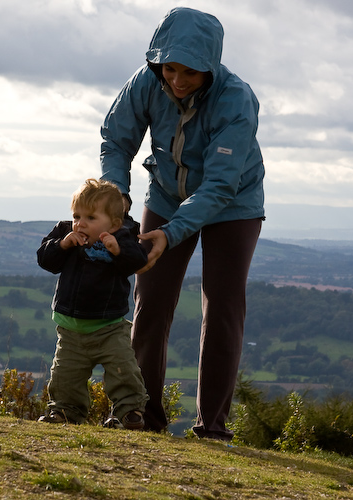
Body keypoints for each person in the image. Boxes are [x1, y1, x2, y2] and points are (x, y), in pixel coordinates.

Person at [100, 7, 265, 440]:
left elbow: (219, 186)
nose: (177, 80)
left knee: (222, 306)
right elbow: (116, 139)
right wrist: (116, 197)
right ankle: (139, 416)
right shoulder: (145, 81)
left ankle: (212, 428)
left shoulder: (237, 99)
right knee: (149, 303)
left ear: (209, 67)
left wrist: (170, 234)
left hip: (232, 205)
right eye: (169, 68)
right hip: (167, 195)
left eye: (190, 72)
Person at [36, 178, 149, 429]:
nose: (81, 223)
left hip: (109, 326)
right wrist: (62, 244)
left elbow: (138, 262)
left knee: (123, 370)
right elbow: (45, 259)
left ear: (114, 223)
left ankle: (130, 413)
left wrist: (118, 250)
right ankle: (65, 412)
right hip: (71, 330)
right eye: (77, 216)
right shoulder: (66, 234)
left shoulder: (124, 237)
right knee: (66, 376)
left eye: (90, 217)